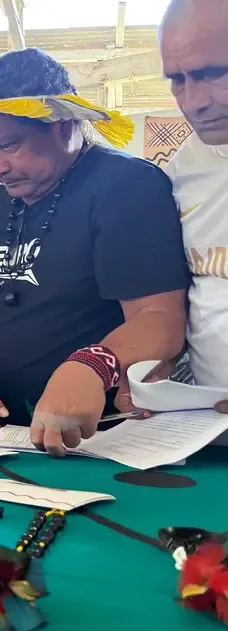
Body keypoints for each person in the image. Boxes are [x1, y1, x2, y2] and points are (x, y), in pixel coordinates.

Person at [0, 49, 191, 456]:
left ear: (65, 126)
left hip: (97, 439)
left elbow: (160, 319)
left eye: (9, 145)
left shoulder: (125, 186)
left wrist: (92, 365)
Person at [159, 0, 228, 406]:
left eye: (212, 73)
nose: (192, 102)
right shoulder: (182, 169)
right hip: (209, 423)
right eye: (177, 79)